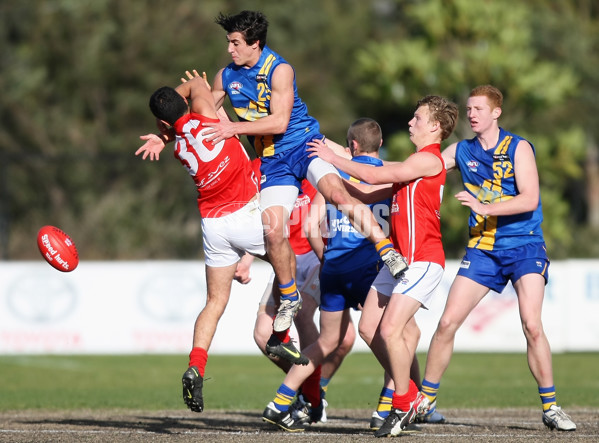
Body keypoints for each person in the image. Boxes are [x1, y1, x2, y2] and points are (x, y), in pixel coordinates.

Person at [203, 10, 409, 338]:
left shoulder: (279, 69)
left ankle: (386, 250)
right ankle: (288, 297)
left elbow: (280, 122)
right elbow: (204, 110)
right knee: (273, 233)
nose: (230, 49)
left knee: (338, 194)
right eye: (229, 42)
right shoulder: (226, 76)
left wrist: (233, 128)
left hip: (304, 146)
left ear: (254, 43)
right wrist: (169, 130)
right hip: (273, 162)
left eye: (235, 43)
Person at [414, 85, 577, 432]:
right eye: (469, 109)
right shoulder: (461, 150)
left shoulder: (518, 148)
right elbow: (420, 168)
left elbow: (530, 199)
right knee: (446, 324)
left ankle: (551, 407)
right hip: (484, 248)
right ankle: (426, 401)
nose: (472, 114)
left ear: (496, 113)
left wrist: (485, 207)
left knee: (532, 325)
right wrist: (364, 163)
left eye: (479, 109)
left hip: (525, 246)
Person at [309, 96, 459, 437]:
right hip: (400, 262)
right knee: (369, 329)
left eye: (417, 118)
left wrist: (333, 158)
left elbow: (376, 172)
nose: (410, 122)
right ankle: (408, 397)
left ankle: (404, 400)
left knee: (390, 330)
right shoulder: (414, 164)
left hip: (423, 259)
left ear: (435, 127)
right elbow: (364, 193)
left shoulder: (428, 160)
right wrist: (327, 179)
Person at [262, 117, 407, 432]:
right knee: (398, 334)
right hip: (372, 269)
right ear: (380, 144)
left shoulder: (332, 176)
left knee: (325, 341)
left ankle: (280, 401)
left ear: (351, 145)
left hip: (334, 269)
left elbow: (312, 226)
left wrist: (326, 259)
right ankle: (392, 404)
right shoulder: (391, 178)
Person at [135, 76, 270, 414]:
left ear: (165, 123)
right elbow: (196, 82)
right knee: (301, 259)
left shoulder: (180, 147)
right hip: (248, 213)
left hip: (214, 225)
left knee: (214, 301)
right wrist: (178, 106)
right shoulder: (208, 117)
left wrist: (165, 134)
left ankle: (196, 366)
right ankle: (282, 333)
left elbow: (179, 122)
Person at [250, 179, 356, 424]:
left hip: (317, 254)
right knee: (263, 334)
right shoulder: (264, 169)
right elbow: (255, 219)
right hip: (284, 258)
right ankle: (310, 390)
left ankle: (310, 395)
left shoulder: (313, 160)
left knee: (308, 316)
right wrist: (246, 258)